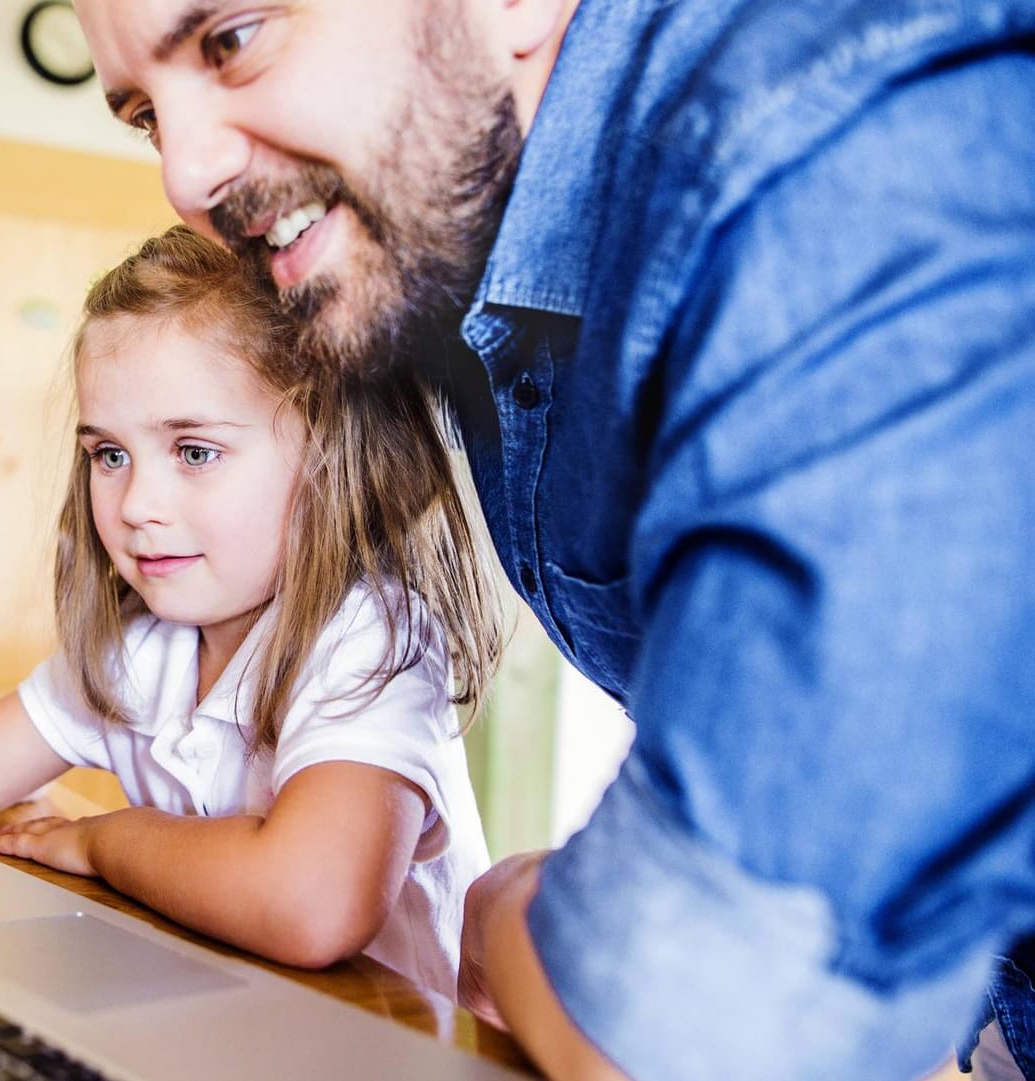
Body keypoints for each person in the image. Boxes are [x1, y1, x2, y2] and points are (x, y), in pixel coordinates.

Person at [67, 0, 1035, 1078]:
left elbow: (685, 1040)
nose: (186, 177)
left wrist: (512, 919)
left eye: (233, 39)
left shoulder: (843, 162)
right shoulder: (474, 268)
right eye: (147, 114)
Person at [0, 226, 505, 999]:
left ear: (334, 456)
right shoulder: (138, 651)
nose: (138, 502)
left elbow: (312, 904)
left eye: (194, 451)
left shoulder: (372, 638)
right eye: (109, 454)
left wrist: (103, 838)